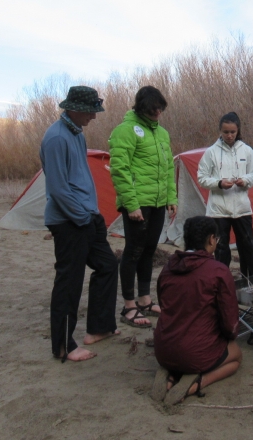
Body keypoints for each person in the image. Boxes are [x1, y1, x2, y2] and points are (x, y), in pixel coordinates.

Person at [40, 86, 120, 362]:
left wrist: (92, 214)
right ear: (74, 108)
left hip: (87, 216)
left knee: (108, 265)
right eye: (90, 112)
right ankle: (64, 347)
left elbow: (80, 178)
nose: (94, 117)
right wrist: (83, 218)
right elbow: (59, 189)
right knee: (69, 281)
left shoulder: (76, 134)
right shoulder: (56, 138)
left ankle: (99, 327)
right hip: (69, 221)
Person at [152, 216, 243, 405]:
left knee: (182, 349)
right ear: (211, 239)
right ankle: (199, 382)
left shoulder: (168, 268)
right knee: (236, 357)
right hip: (196, 352)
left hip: (163, 348)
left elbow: (164, 303)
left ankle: (170, 373)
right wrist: (230, 336)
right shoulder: (218, 270)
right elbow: (229, 320)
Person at [108, 86, 177, 329]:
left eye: (160, 108)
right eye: (152, 109)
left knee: (149, 250)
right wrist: (131, 204)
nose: (157, 112)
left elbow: (169, 168)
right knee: (133, 251)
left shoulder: (162, 134)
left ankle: (145, 300)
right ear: (141, 107)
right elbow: (120, 170)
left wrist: (172, 198)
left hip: (158, 202)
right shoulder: (125, 131)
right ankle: (128, 306)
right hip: (138, 204)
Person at [197, 112, 253, 278]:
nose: (229, 135)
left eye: (233, 132)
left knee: (247, 246)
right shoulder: (211, 152)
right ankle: (221, 280)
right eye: (226, 132)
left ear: (238, 130)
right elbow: (201, 178)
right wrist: (219, 184)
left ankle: (250, 281)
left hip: (242, 208)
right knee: (221, 248)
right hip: (218, 210)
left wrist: (245, 180)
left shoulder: (247, 151)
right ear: (220, 131)